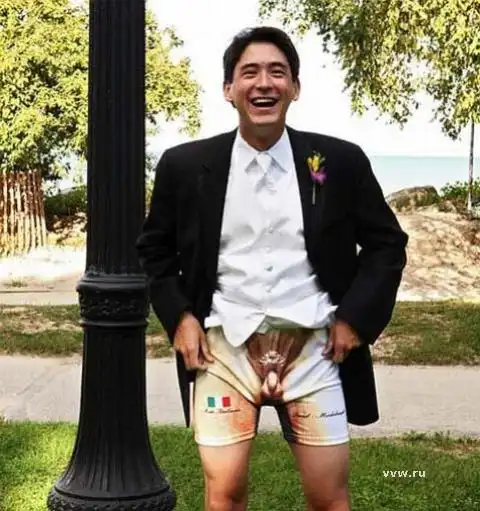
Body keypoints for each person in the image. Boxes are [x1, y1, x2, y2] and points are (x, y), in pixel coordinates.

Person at [136, 26, 408, 511]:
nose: (264, 83)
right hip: (223, 351)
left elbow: (387, 244)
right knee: (224, 497)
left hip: (315, 353)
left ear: (295, 87)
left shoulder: (337, 162)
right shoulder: (185, 166)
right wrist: (180, 317)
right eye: (250, 72)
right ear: (229, 89)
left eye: (277, 72)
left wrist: (354, 320)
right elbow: (155, 250)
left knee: (329, 498)